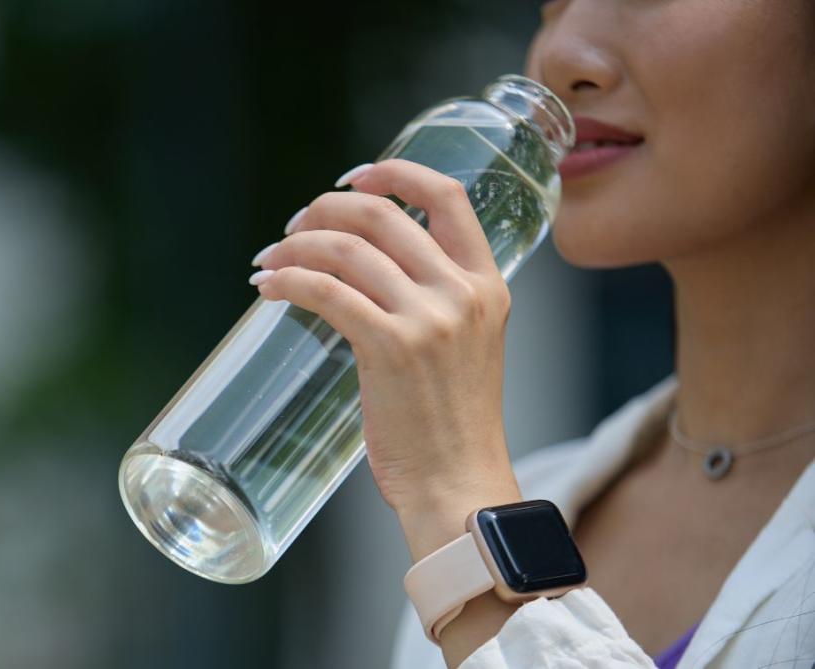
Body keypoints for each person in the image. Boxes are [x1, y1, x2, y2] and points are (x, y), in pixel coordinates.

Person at [244, 0, 815, 667]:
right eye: (554, 5)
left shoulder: (461, 515)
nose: (561, 58)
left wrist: (462, 511)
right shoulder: (520, 498)